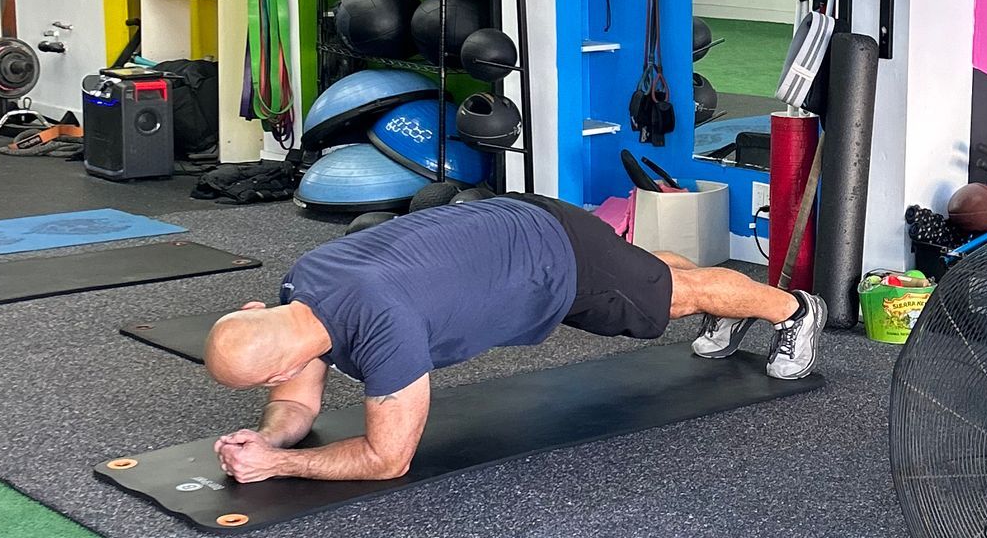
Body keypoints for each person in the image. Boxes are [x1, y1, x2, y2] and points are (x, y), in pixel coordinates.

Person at [204, 194, 825, 484]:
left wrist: (281, 465)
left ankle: (793, 309)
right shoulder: (301, 285)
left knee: (665, 298)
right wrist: (264, 437)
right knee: (642, 274)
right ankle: (707, 298)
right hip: (507, 223)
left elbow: (388, 460)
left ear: (269, 364)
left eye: (265, 382)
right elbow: (299, 404)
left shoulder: (384, 332)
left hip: (553, 260)